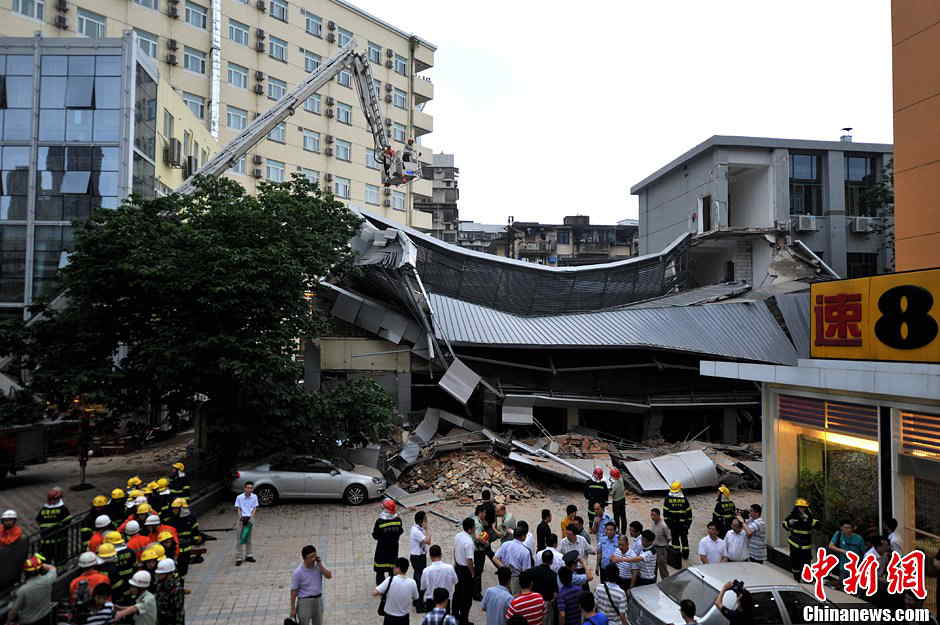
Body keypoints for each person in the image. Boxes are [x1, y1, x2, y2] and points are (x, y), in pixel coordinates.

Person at [290, 545, 332, 625]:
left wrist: (320, 565)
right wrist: (293, 608)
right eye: (311, 557)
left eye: (315, 556)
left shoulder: (319, 565)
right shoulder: (298, 572)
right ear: (304, 558)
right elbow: (294, 591)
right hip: (304, 602)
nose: (314, 559)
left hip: (318, 600)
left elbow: (329, 576)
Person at [8, 556, 55, 625]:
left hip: (29, 622)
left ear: (25, 573)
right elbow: (53, 568)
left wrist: (8, 621)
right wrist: (41, 565)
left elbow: (14, 611)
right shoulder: (48, 579)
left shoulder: (23, 590)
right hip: (45, 617)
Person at [372, 557, 418, 625]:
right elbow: (416, 597)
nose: (393, 568)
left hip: (389, 618)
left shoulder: (390, 580)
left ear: (398, 568)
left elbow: (375, 593)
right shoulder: (412, 582)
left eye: (394, 567)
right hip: (404, 618)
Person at [782, 498, 818, 581]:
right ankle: (796, 577)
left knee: (806, 562)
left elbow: (818, 525)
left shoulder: (809, 516)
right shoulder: (792, 516)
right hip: (794, 543)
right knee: (795, 562)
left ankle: (807, 578)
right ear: (796, 508)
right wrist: (789, 523)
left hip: (806, 545)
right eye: (800, 507)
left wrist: (807, 519)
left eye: (803, 507)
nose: (802, 509)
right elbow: (784, 524)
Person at [165, 497, 203, 575]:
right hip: (175, 550)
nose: (174, 511)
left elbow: (195, 531)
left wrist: (196, 541)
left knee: (184, 569)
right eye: (173, 509)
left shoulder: (191, 519)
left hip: (186, 549)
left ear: (182, 509)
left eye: (176, 509)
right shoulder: (170, 520)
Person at [494, 526, 535, 594]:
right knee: (514, 599)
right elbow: (525, 571)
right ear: (523, 536)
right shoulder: (525, 551)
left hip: (504, 576)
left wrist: (504, 568)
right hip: (516, 579)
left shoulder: (505, 544)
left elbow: (495, 558)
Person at [373, 499, 404, 584]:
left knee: (380, 571)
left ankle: (381, 589)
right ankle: (391, 588)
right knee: (392, 571)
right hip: (393, 550)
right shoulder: (398, 520)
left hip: (381, 550)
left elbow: (375, 535)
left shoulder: (380, 522)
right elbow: (400, 531)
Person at [36, 487, 70, 564]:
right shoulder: (63, 509)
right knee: (60, 561)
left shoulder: (44, 509)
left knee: (46, 561)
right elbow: (68, 521)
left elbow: (38, 520)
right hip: (59, 541)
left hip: (46, 541)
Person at [420, 545, 458, 613]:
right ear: (441, 554)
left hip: (431, 601)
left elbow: (423, 587)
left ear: (430, 556)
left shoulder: (426, 571)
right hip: (445, 600)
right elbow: (455, 581)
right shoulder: (449, 568)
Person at [453, 517, 477, 625]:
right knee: (467, 597)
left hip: (457, 567)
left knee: (457, 592)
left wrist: (455, 562)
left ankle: (454, 614)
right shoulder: (469, 542)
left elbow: (454, 550)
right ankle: (464, 620)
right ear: (471, 529)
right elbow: (469, 560)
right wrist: (472, 573)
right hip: (465, 570)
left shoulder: (458, 536)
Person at [663, 481, 692, 561]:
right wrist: (688, 524)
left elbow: (665, 512)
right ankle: (685, 555)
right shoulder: (684, 499)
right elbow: (689, 512)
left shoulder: (668, 498)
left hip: (673, 525)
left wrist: (668, 524)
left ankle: (676, 555)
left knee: (675, 539)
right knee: (684, 539)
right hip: (683, 525)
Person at [528, 550, 559, 625]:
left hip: (533, 602)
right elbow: (555, 594)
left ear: (542, 559)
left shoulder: (531, 571)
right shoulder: (553, 575)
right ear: (551, 561)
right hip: (546, 604)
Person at [474, 505, 497, 601]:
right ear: (481, 513)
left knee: (477, 570)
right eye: (484, 513)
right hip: (479, 550)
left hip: (477, 549)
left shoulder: (475, 519)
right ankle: (476, 593)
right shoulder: (478, 525)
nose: (485, 514)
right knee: (478, 571)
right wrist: (486, 542)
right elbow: (478, 537)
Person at [233, 481, 258, 566]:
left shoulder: (254, 497)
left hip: (250, 519)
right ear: (244, 488)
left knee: (248, 538)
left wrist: (251, 517)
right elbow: (238, 508)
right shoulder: (239, 497)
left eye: (251, 488)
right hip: (241, 519)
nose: (249, 489)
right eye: (248, 488)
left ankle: (249, 555)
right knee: (239, 539)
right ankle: (239, 557)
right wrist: (241, 518)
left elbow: (254, 508)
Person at [107, 531, 136, 604]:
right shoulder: (130, 551)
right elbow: (134, 564)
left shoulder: (111, 555)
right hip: (131, 580)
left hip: (117, 584)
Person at [411, 511, 432, 610]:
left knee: (417, 578)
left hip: (419, 556)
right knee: (420, 581)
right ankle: (419, 605)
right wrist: (427, 529)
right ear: (421, 521)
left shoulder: (418, 528)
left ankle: (416, 600)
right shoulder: (416, 531)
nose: (427, 520)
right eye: (425, 519)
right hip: (418, 558)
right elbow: (428, 541)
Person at [154, 558, 184, 625]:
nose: (159, 575)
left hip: (171, 620)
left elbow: (179, 610)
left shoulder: (176, 588)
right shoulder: (159, 584)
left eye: (161, 574)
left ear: (169, 574)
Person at [649, 508, 670, 580]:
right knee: (653, 569)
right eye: (651, 515)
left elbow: (669, 538)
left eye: (654, 515)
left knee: (663, 570)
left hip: (661, 550)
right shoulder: (653, 523)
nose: (652, 517)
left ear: (658, 515)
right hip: (654, 549)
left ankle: (666, 584)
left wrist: (664, 546)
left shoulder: (664, 526)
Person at [608, 469, 626, 536]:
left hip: (616, 502)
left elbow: (611, 494)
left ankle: (617, 531)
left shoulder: (614, 485)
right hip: (622, 499)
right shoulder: (621, 479)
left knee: (616, 517)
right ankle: (623, 532)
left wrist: (610, 489)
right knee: (623, 516)